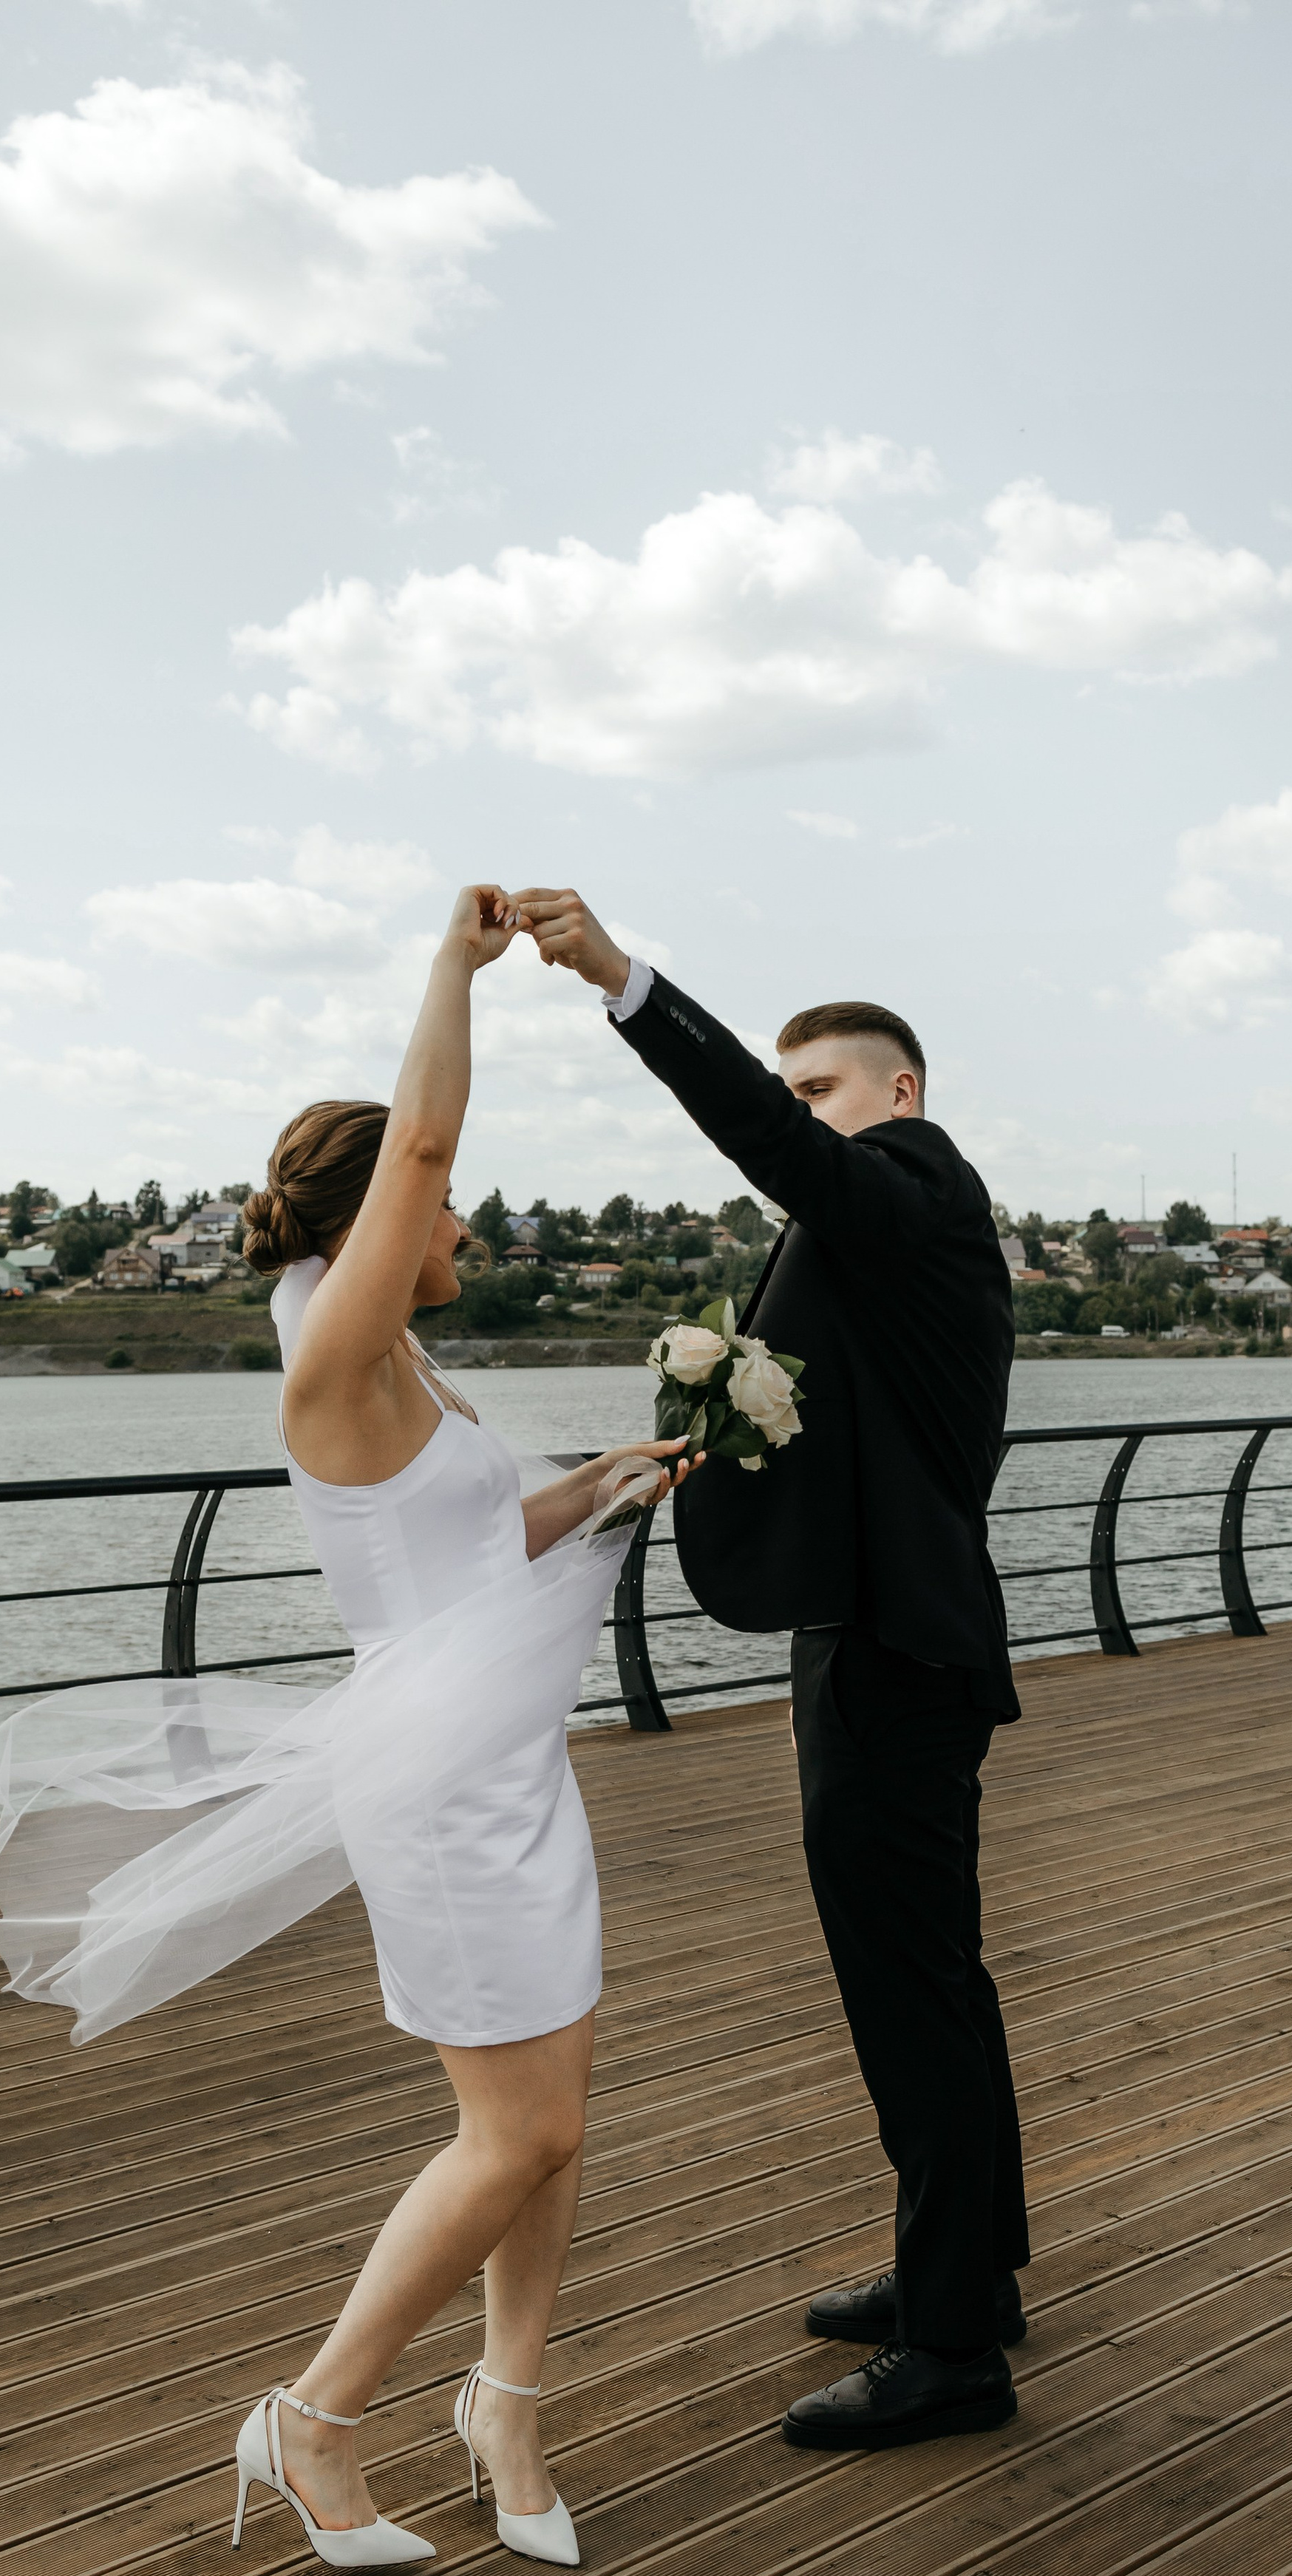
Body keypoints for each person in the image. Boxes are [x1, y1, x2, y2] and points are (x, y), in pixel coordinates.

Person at [0, 883, 697, 2572]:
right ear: (384, 1212)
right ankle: (312, 2420)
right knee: (508, 2129)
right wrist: (455, 966)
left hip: (509, 1765)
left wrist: (589, 1490)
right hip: (440, 1793)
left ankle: (506, 2406)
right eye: (442, 1216)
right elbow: (429, 1151)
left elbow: (450, 1545)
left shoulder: (404, 1374)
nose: (466, 1239)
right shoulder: (335, 1350)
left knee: (560, 2114)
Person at [518, 886, 1027, 2454]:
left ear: (900, 1095)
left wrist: (623, 982)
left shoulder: (908, 1183)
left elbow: (781, 1151)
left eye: (823, 1089)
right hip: (874, 1632)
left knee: (911, 1990)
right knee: (926, 1979)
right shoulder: (879, 1232)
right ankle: (966, 2274)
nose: (806, 1116)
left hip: (894, 1647)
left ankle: (949, 2353)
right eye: (798, 1090)